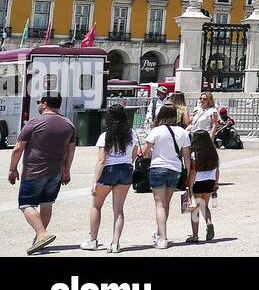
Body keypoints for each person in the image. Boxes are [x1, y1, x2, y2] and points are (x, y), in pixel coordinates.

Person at [7, 94, 77, 255]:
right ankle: (40, 239)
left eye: (39, 102)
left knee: (25, 204)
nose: (38, 105)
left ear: (45, 104)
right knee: (47, 203)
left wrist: (12, 169)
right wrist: (67, 170)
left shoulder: (34, 123)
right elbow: (71, 149)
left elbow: (18, 148)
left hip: (34, 170)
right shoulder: (68, 124)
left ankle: (42, 233)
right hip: (57, 171)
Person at [82, 103, 138, 252]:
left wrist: (94, 181)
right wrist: (127, 164)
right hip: (125, 169)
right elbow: (134, 153)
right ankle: (115, 243)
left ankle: (93, 240)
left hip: (108, 170)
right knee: (118, 210)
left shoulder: (105, 136)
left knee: (96, 206)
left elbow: (101, 160)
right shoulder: (132, 133)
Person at [141, 105, 191, 249]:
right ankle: (159, 232)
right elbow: (186, 157)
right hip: (175, 169)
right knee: (166, 204)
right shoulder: (182, 132)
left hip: (158, 167)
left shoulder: (156, 131)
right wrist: (187, 173)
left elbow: (144, 153)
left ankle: (163, 238)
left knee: (159, 204)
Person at [185, 130, 221, 242]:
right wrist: (216, 183)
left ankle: (195, 235)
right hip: (210, 181)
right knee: (204, 206)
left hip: (198, 182)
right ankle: (209, 222)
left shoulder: (195, 154)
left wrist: (190, 188)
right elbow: (217, 170)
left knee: (195, 209)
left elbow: (193, 172)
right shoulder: (213, 153)